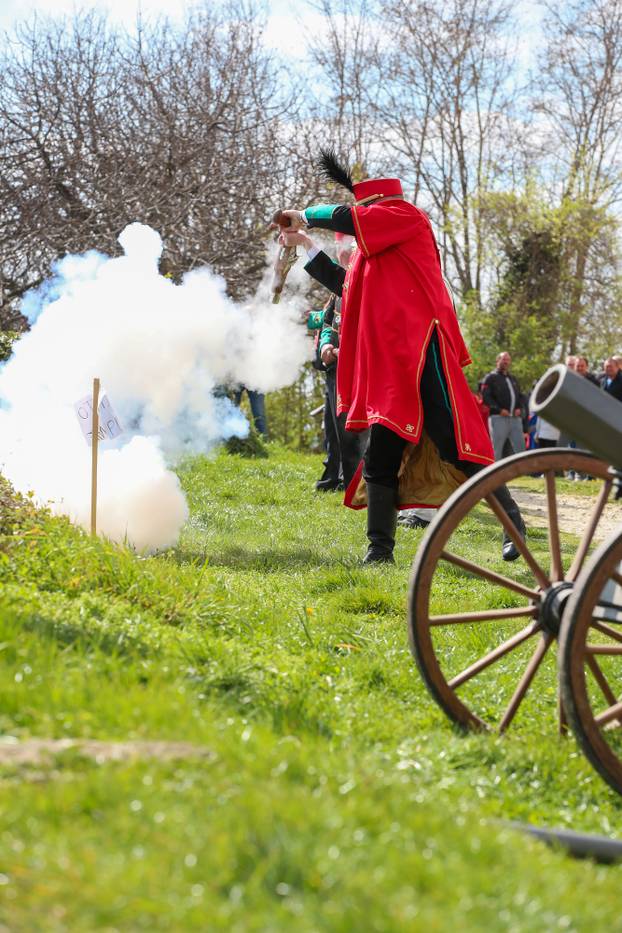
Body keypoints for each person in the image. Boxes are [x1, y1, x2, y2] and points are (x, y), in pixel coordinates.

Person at [275, 150, 524, 564]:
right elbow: (345, 288)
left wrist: (305, 213)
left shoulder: (406, 217)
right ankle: (379, 554)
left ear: (374, 207)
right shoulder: (373, 257)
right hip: (392, 367)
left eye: (361, 213)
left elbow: (352, 220)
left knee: (455, 444)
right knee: (381, 456)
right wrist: (303, 242)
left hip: (423, 352)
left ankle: (512, 522)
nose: (358, 225)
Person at [481, 352, 526, 461]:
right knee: (496, 448)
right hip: (498, 418)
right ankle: (493, 473)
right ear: (498, 361)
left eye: (508, 359)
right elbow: (485, 397)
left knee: (521, 448)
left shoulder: (513, 379)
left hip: (515, 419)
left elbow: (520, 396)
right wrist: (499, 410)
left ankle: (523, 472)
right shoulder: (490, 378)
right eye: (503, 359)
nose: (506, 362)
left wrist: (519, 408)